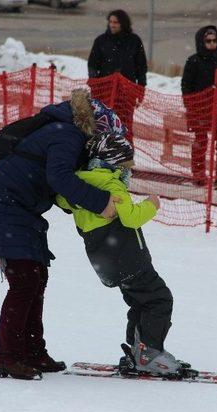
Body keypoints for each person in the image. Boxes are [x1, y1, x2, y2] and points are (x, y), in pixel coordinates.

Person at [0, 89, 120, 381]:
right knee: (25, 281)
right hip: (2, 208)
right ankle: (7, 358)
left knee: (36, 277)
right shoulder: (67, 134)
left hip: (16, 211)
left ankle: (33, 351)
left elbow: (56, 183)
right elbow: (59, 177)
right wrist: (100, 203)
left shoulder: (62, 131)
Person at [56, 132, 188, 376]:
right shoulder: (111, 184)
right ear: (114, 162)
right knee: (160, 299)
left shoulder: (77, 183)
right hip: (128, 257)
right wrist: (151, 205)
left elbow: (62, 199)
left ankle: (137, 351)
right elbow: (130, 217)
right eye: (125, 166)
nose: (127, 173)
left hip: (105, 260)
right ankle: (149, 354)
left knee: (139, 302)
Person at [181, 25, 217, 188]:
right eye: (208, 41)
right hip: (199, 108)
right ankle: (198, 173)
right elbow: (186, 86)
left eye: (214, 41)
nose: (212, 44)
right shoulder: (193, 61)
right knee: (201, 141)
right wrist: (190, 105)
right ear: (201, 42)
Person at [87, 9, 148, 143]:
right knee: (103, 125)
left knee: (124, 125)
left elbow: (141, 67)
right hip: (104, 92)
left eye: (116, 22)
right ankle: (102, 155)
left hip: (127, 93)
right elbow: (92, 65)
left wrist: (140, 89)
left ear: (123, 24)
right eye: (110, 22)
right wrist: (95, 86)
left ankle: (125, 158)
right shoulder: (101, 41)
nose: (112, 25)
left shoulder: (134, 41)